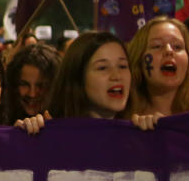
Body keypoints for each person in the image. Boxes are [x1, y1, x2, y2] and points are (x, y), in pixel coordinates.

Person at [19, 31, 156, 134]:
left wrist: (160, 132)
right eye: (103, 68)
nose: (117, 76)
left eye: (122, 66)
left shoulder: (140, 134)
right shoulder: (50, 134)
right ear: (78, 76)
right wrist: (23, 136)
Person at [4, 43, 60, 123]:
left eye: (41, 86)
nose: (32, 94)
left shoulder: (68, 123)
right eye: (24, 84)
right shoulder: (2, 120)